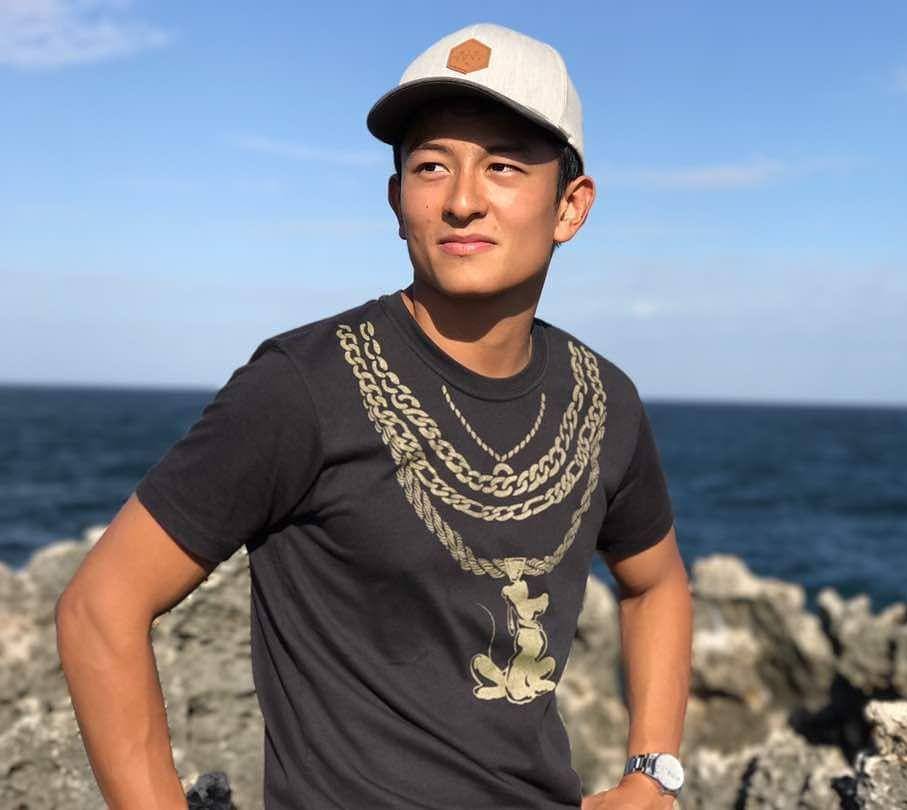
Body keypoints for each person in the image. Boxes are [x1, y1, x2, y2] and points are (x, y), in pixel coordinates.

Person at [55, 21, 692, 810]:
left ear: (570, 206)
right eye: (431, 167)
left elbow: (656, 585)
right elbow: (100, 607)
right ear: (397, 201)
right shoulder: (301, 386)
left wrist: (652, 775)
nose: (462, 201)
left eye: (502, 166)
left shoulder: (604, 400)